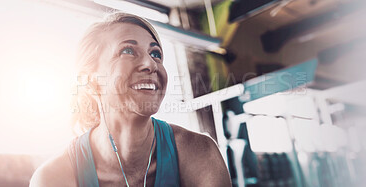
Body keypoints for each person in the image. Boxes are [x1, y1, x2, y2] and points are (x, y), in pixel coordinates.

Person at [29, 12, 232, 187]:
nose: (150, 64)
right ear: (90, 81)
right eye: (127, 51)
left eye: (155, 53)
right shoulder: (53, 178)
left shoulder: (200, 153)